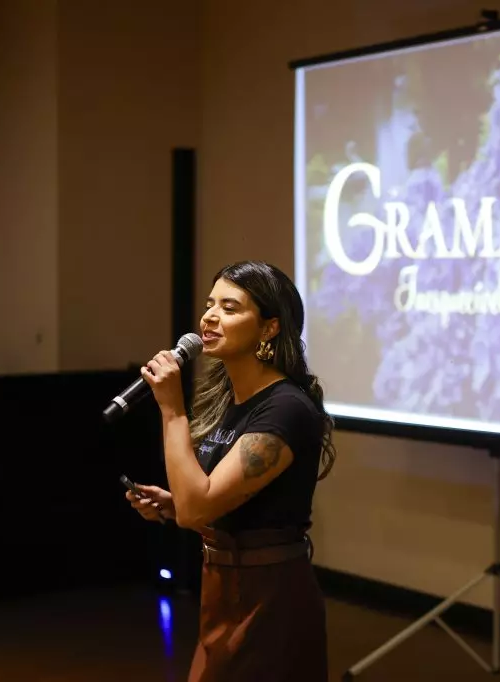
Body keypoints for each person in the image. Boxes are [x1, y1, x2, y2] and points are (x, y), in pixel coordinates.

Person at [125, 260, 336, 682]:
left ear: (269, 328)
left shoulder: (285, 409)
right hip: (223, 587)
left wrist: (171, 408)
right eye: (209, 304)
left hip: (269, 597)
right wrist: (172, 505)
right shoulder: (232, 402)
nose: (209, 316)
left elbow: (196, 507)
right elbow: (204, 503)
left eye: (230, 307)